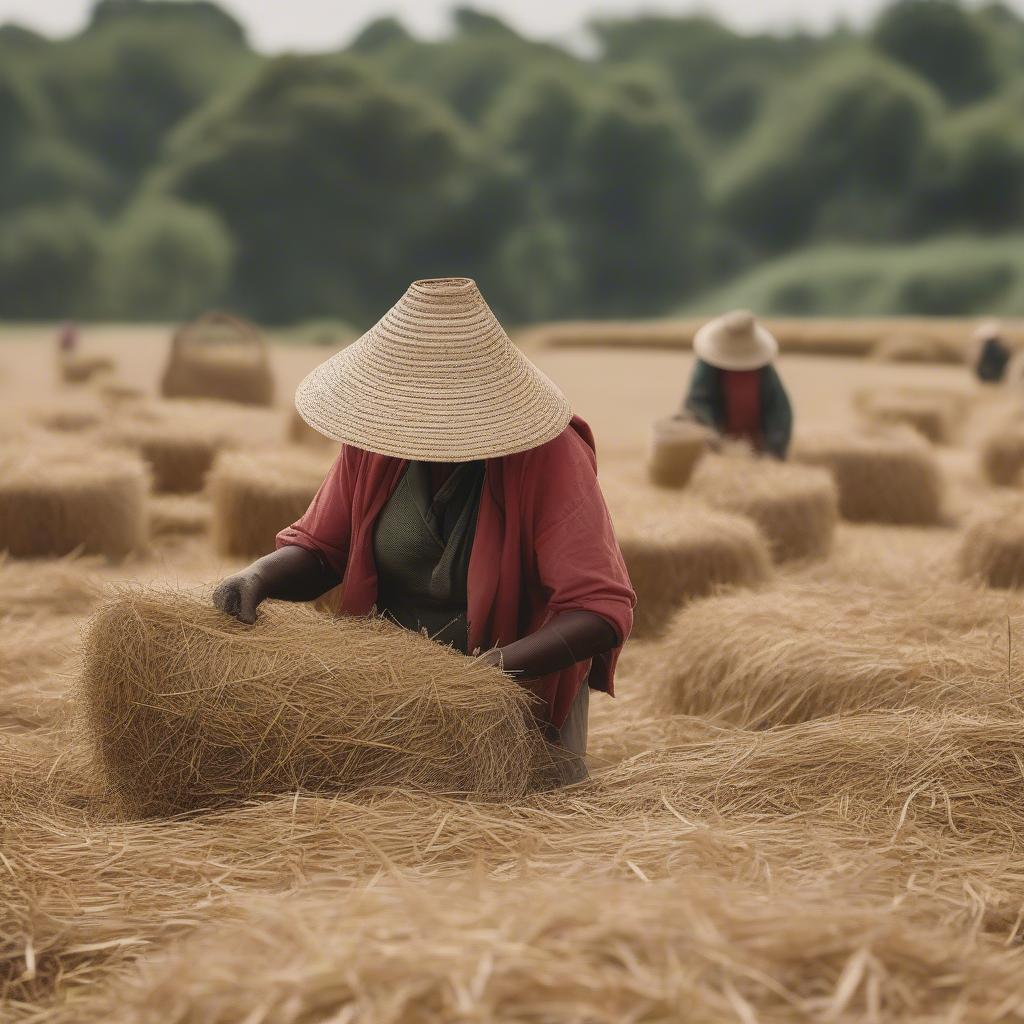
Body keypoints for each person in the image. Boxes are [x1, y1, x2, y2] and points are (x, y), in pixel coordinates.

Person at [213, 277, 635, 783]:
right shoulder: (377, 442)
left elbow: (598, 610)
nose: (424, 425)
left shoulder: (549, 455)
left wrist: (485, 675)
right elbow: (322, 549)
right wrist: (258, 577)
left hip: (518, 699)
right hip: (395, 699)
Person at [680, 309, 792, 459]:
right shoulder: (708, 366)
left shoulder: (763, 370)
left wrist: (774, 448)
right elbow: (698, 402)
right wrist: (710, 434)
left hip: (757, 441)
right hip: (718, 440)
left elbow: (779, 410)